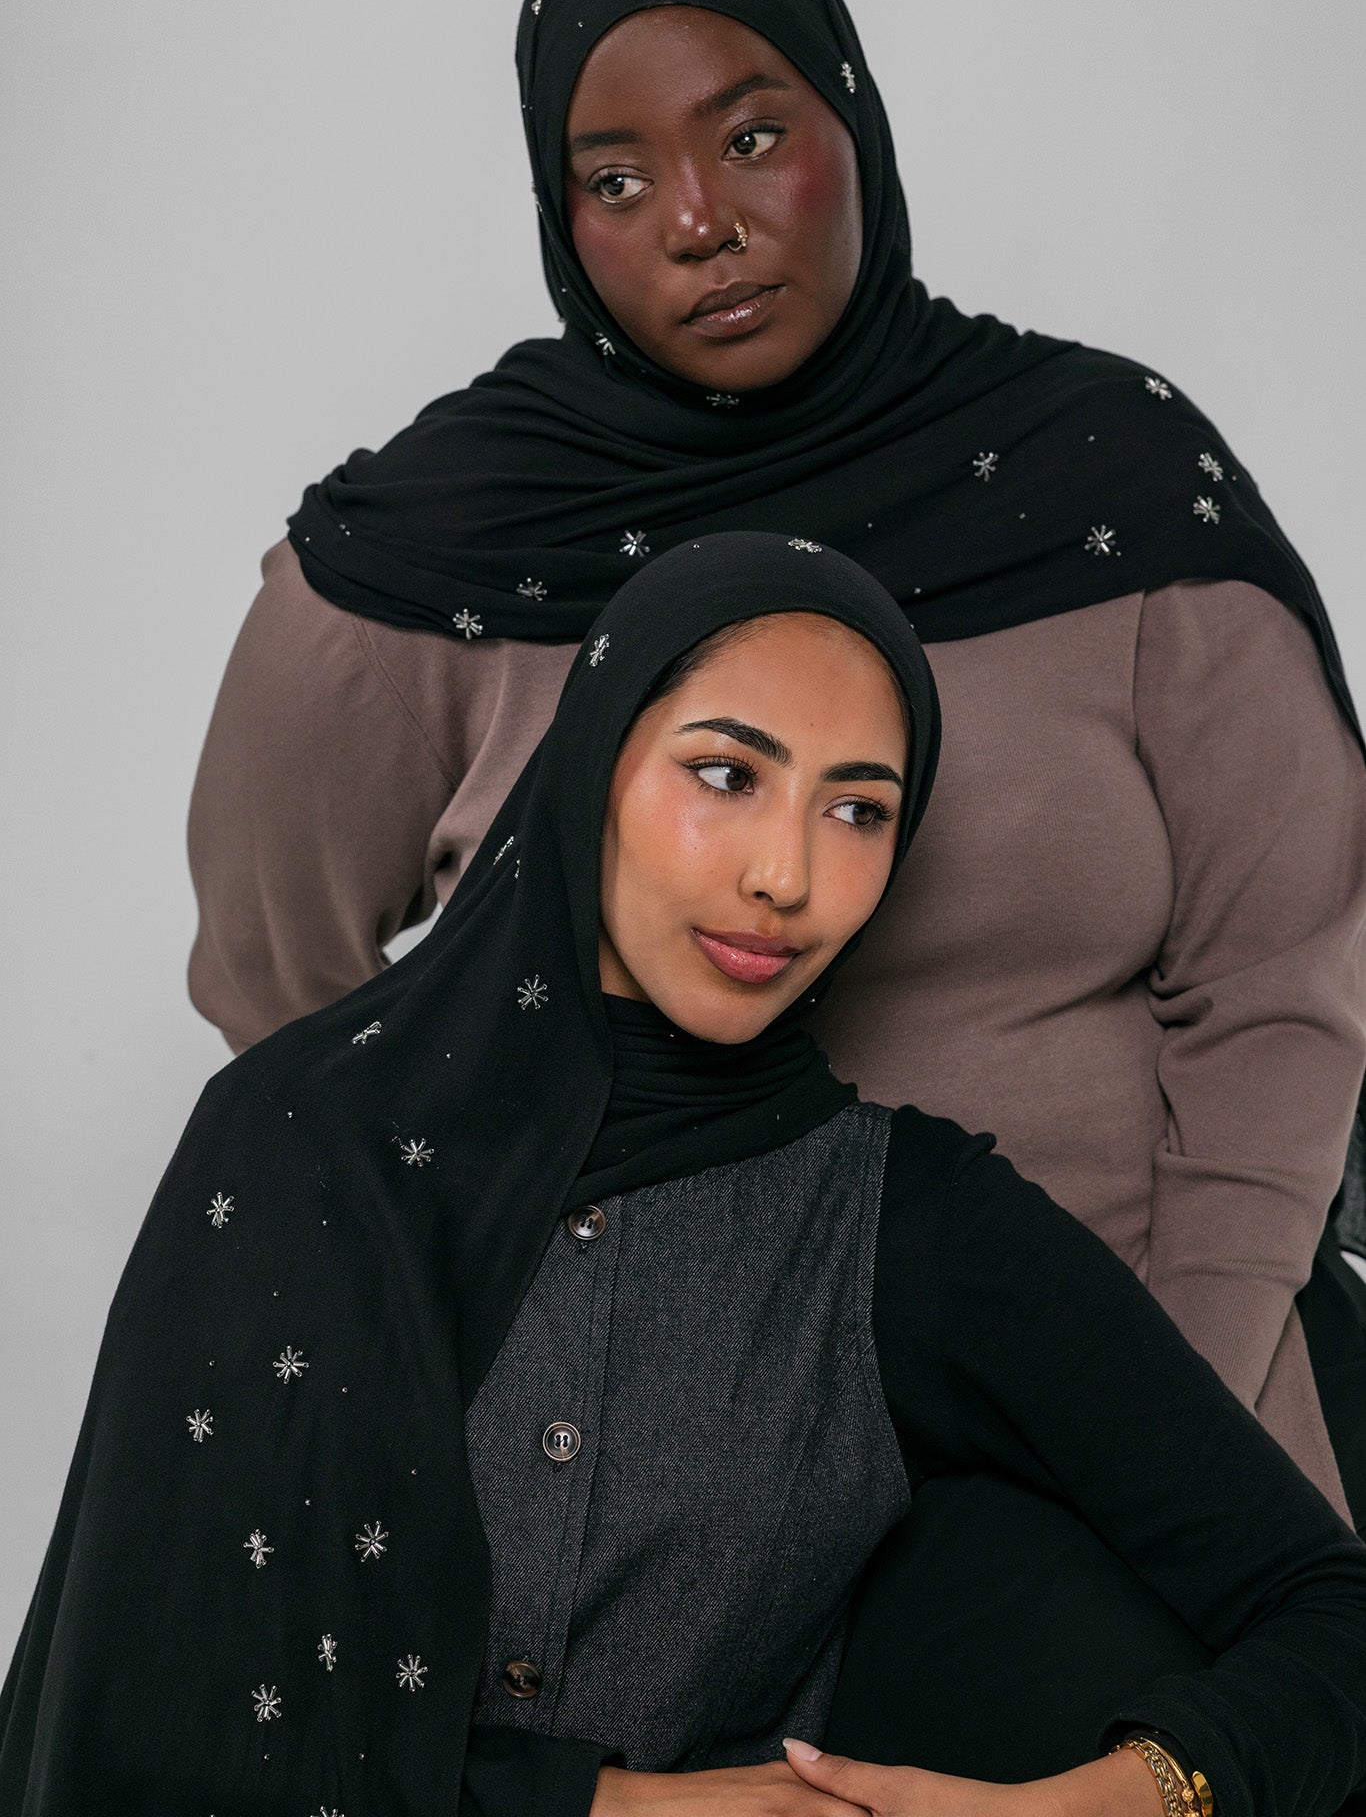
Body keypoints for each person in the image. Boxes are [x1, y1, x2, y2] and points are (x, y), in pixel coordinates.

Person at [186, 0, 1366, 1544]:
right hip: (637, 1460)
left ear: (852, 125)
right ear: (559, 215)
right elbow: (286, 1001)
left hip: (1162, 1366)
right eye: (614, 180)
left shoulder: (1103, 485)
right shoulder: (440, 552)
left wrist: (1161, 1428)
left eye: (751, 138)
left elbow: (1283, 988)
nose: (697, 222)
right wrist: (513, 1349)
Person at [7, 534, 1366, 1817]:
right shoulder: (303, 1143)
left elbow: (1329, 1604)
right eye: (725, 776)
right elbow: (156, 1714)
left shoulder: (903, 1219)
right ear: (595, 764)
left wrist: (1119, 1798)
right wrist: (605, 1805)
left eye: (857, 810)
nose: (787, 875)